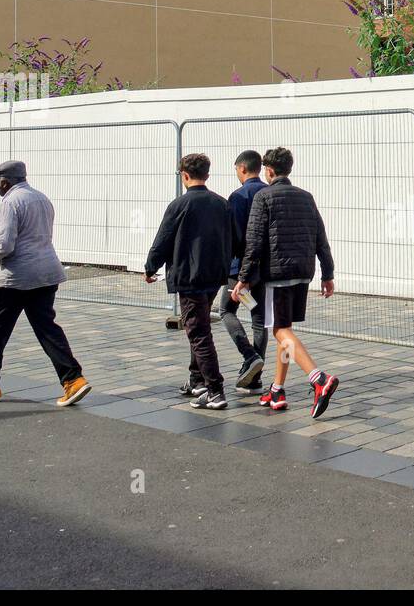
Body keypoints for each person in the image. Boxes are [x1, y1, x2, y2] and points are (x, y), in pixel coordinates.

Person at [0, 160, 91, 407]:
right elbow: (32, 235)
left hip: (16, 278)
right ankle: (74, 379)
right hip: (47, 273)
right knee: (47, 329)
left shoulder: (10, 202)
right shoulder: (41, 198)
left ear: (4, 181)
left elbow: (6, 246)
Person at [231, 147, 339, 418]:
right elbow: (320, 237)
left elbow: (254, 242)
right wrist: (328, 274)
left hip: (276, 275)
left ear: (268, 170)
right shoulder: (306, 197)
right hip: (303, 272)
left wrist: (242, 279)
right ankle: (277, 389)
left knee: (280, 331)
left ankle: (318, 378)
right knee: (284, 330)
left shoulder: (263, 197)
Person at [145, 153, 234, 410]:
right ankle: (197, 380)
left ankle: (215, 390)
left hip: (189, 276)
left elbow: (163, 239)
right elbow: (233, 238)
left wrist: (151, 267)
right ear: (207, 174)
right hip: (214, 275)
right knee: (200, 325)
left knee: (198, 332)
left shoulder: (179, 205)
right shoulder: (221, 204)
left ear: (184, 175)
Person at [220, 150, 268, 395]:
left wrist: (238, 272)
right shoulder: (268, 192)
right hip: (264, 268)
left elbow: (236, 235)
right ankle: (255, 378)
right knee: (259, 319)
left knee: (226, 310)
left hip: (240, 268)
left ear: (241, 168)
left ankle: (249, 356)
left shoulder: (238, 196)